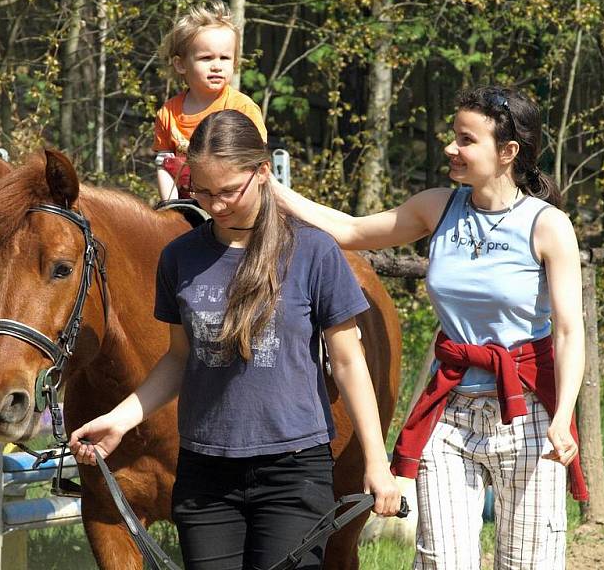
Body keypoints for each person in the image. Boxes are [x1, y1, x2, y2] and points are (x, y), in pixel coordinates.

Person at [272, 85, 588, 569]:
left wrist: (563, 416)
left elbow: (568, 332)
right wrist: (268, 186)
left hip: (527, 414)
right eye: (453, 136)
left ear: (508, 153)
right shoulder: (438, 207)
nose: (450, 148)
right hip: (450, 414)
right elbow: (352, 231)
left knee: (530, 561)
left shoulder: (547, 226)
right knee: (440, 560)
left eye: (466, 140)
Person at [71, 109, 401, 569]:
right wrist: (121, 419)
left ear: (262, 173)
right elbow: (179, 358)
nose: (216, 205)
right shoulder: (181, 258)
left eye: (228, 191)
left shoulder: (313, 252)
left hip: (294, 471)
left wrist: (376, 463)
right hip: (206, 475)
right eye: (202, 192)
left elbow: (348, 363)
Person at [153, 0, 267, 202]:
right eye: (206, 58)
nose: (216, 66)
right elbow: (164, 165)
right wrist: (172, 205)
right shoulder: (168, 114)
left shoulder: (242, 108)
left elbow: (255, 166)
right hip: (189, 203)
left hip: (235, 201)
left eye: (224, 58)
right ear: (180, 65)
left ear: (235, 62)